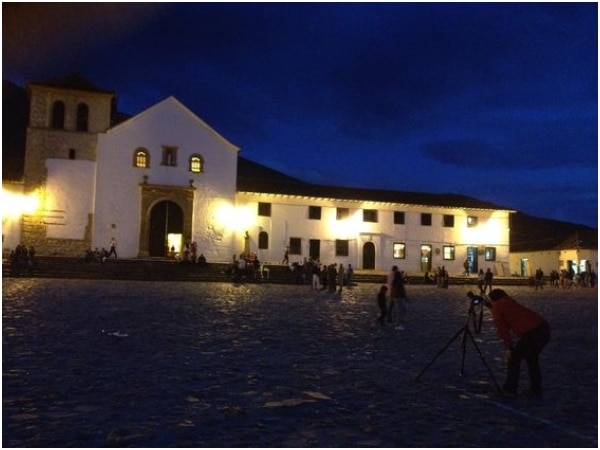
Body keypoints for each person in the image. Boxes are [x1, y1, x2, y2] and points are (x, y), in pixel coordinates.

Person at [488, 289, 551, 397]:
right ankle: (536, 389)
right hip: (543, 327)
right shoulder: (509, 301)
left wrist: (509, 348)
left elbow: (502, 330)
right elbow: (508, 311)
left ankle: (510, 389)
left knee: (514, 358)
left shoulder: (497, 308)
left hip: (532, 333)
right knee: (532, 359)